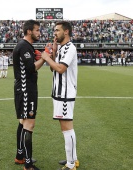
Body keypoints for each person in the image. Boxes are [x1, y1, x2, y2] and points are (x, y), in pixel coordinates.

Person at [41, 21, 79, 170]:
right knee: (65, 127)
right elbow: (53, 70)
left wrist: (46, 56)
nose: (54, 33)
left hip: (65, 93)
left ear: (67, 32)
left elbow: (61, 69)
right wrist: (54, 52)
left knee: (67, 128)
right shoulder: (62, 48)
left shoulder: (70, 48)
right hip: (58, 92)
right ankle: (73, 159)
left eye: (57, 30)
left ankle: (71, 165)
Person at [13, 19, 45, 170]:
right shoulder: (24, 46)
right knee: (29, 124)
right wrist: (44, 58)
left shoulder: (27, 46)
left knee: (22, 122)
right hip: (26, 90)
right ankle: (28, 165)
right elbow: (31, 68)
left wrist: (38, 56)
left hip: (25, 88)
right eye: (37, 30)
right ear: (29, 31)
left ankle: (20, 156)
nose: (39, 33)